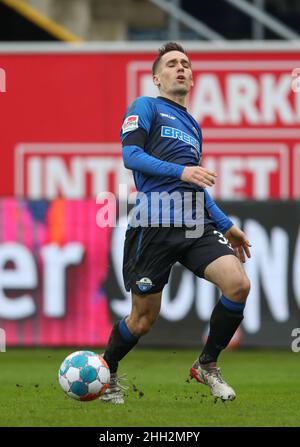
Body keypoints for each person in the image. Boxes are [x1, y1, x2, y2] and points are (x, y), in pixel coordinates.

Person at [100, 42, 251, 404]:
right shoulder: (145, 107)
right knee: (142, 321)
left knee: (237, 284)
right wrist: (182, 170)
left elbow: (195, 187)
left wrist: (226, 225)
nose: (180, 68)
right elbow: (131, 156)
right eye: (171, 64)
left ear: (192, 78)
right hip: (153, 224)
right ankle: (107, 372)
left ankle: (207, 364)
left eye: (185, 63)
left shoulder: (194, 128)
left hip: (194, 225)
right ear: (157, 77)